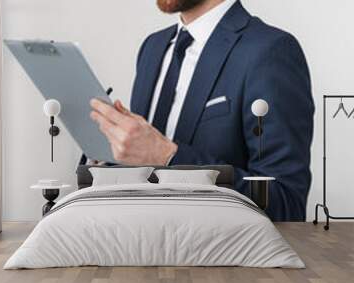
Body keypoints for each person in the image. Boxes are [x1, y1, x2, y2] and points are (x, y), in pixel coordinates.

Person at [89, 0, 314, 221]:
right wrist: (112, 151)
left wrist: (168, 157)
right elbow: (142, 171)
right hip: (136, 243)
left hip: (216, 254)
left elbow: (286, 203)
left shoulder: (269, 51)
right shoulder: (153, 47)